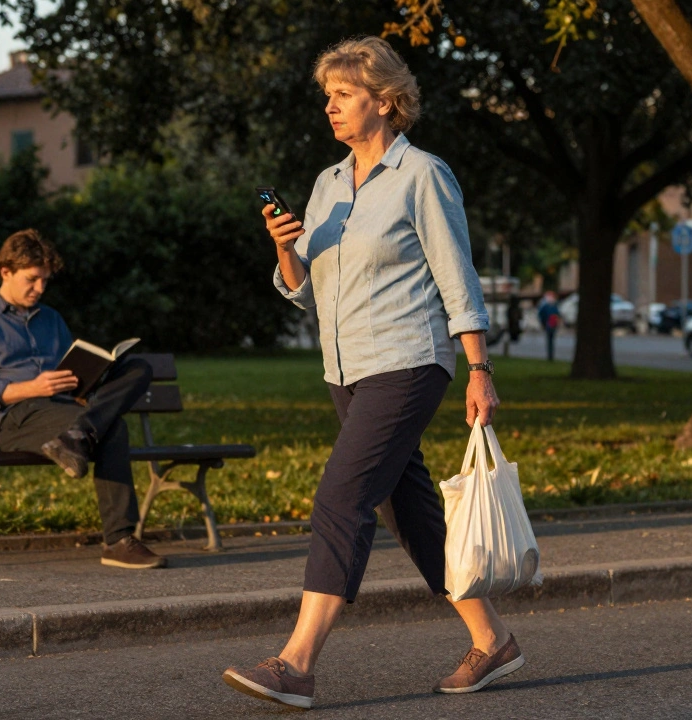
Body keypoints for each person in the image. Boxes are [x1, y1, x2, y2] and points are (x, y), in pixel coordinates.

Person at [222, 37, 522, 710]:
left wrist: (478, 367)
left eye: (342, 94)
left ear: (383, 101)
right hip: (346, 371)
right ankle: (492, 639)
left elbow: (456, 276)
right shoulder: (329, 184)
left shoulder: (423, 176)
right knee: (408, 511)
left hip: (409, 362)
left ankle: (297, 664)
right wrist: (284, 247)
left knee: (342, 498)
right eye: (326, 95)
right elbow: (303, 286)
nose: (328, 106)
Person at [0, 229, 165, 570]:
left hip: (64, 409)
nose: (40, 289)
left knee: (137, 368)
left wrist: (89, 380)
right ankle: (119, 541)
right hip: (14, 418)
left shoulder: (51, 319)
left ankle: (78, 434)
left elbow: (68, 368)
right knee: (114, 428)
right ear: (5, 272)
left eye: (45, 281)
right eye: (32, 280)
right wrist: (34, 387)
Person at [537, 291, 561, 362]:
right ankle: (550, 356)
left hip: (551, 324)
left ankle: (550, 356)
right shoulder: (552, 306)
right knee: (550, 341)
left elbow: (541, 315)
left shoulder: (548, 306)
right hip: (550, 324)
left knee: (550, 341)